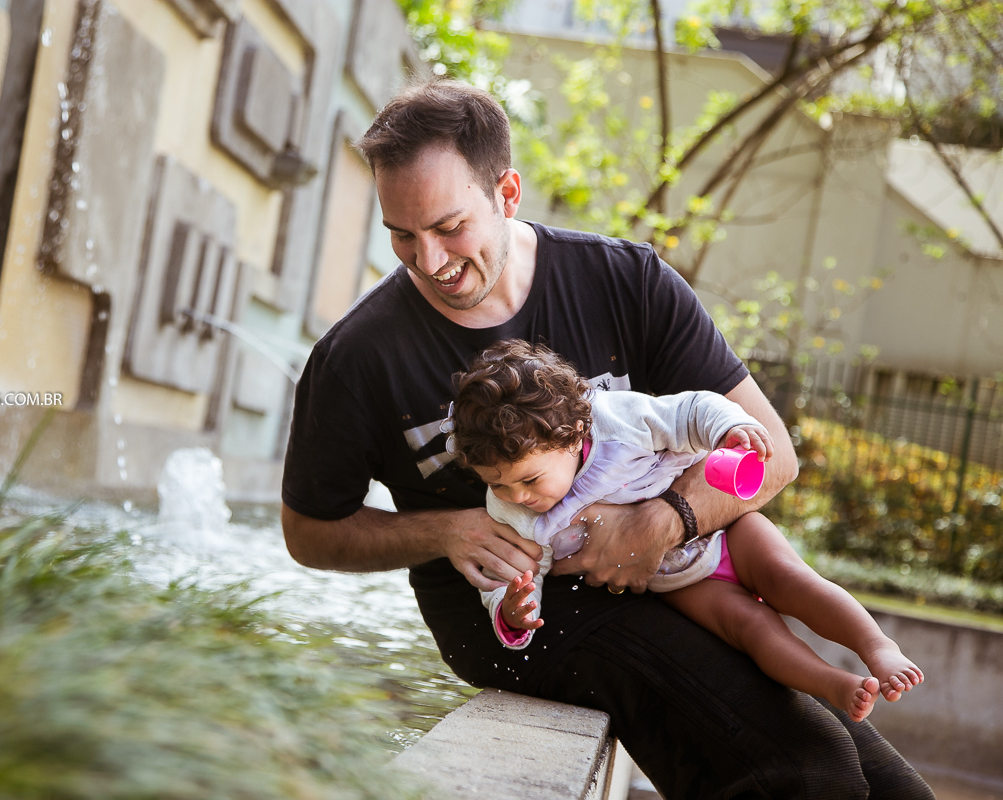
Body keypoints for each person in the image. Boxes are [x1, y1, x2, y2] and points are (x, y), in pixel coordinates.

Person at [280, 77, 935, 798]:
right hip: (524, 616)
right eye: (401, 235)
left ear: (507, 193)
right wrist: (448, 531)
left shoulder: (628, 282)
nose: (428, 260)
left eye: (448, 227)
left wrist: (664, 520)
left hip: (677, 564)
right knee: (805, 770)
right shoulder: (358, 357)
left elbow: (772, 452)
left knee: (891, 789)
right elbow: (310, 532)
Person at [449, 339, 923, 722]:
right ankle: (833, 684)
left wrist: (731, 429)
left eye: (529, 480)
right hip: (679, 582)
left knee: (788, 579)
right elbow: (512, 571)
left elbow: (691, 411)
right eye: (497, 484)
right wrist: (513, 609)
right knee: (748, 628)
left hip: (727, 533)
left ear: (573, 435)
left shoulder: (619, 420)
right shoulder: (516, 512)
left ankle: (877, 647)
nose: (516, 496)